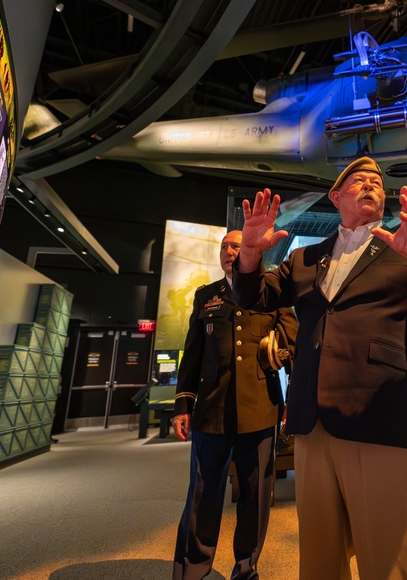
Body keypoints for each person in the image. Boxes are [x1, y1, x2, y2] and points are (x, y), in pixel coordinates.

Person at [232, 157, 407, 580]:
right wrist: (249, 252)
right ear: (336, 197)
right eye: (358, 181)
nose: (371, 185)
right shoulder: (305, 259)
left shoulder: (404, 252)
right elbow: (253, 298)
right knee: (320, 558)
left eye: (377, 182)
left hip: (380, 418)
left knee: (392, 555)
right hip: (311, 424)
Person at [171, 229, 298, 580]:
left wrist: (296, 400)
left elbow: (294, 349)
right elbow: (193, 354)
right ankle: (192, 570)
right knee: (201, 494)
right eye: (225, 246)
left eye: (237, 246)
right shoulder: (206, 296)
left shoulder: (273, 295)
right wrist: (183, 406)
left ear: (251, 253)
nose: (230, 251)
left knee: (256, 497)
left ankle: (246, 568)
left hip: (260, 409)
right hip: (211, 410)